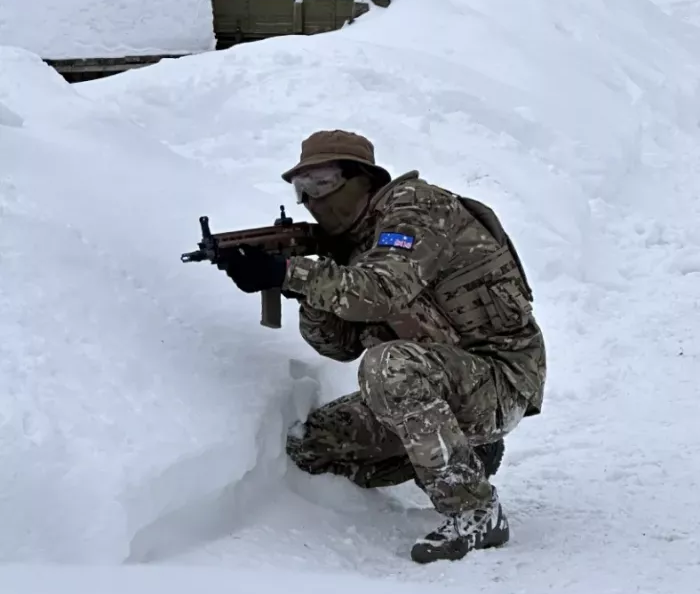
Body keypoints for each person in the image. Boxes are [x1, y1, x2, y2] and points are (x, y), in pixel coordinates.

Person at [219, 130, 546, 564]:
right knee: (311, 445)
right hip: (443, 379)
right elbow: (337, 345)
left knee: (389, 366)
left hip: (500, 380)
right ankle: (466, 453)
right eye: (302, 190)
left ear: (363, 179)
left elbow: (382, 290)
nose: (312, 198)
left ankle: (474, 510)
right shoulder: (354, 245)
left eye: (322, 183)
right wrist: (306, 289)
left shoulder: (415, 207)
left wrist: (293, 274)